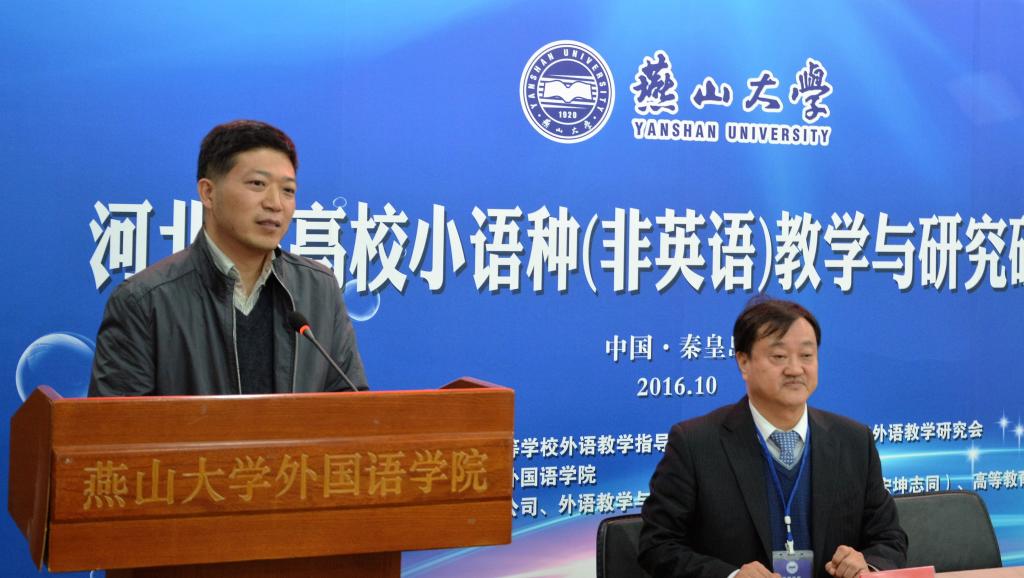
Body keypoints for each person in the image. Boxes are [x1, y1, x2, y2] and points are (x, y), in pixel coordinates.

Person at [89, 120, 367, 397]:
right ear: (208, 193)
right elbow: (119, 422)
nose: (275, 204)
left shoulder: (319, 288)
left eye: (288, 190)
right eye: (257, 184)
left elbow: (349, 405)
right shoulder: (144, 300)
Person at [638, 298, 906, 578]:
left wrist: (867, 565)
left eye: (806, 355)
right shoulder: (695, 444)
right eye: (778, 356)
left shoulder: (854, 441)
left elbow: (889, 538)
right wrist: (731, 576)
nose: (795, 369)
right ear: (743, 361)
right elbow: (657, 546)